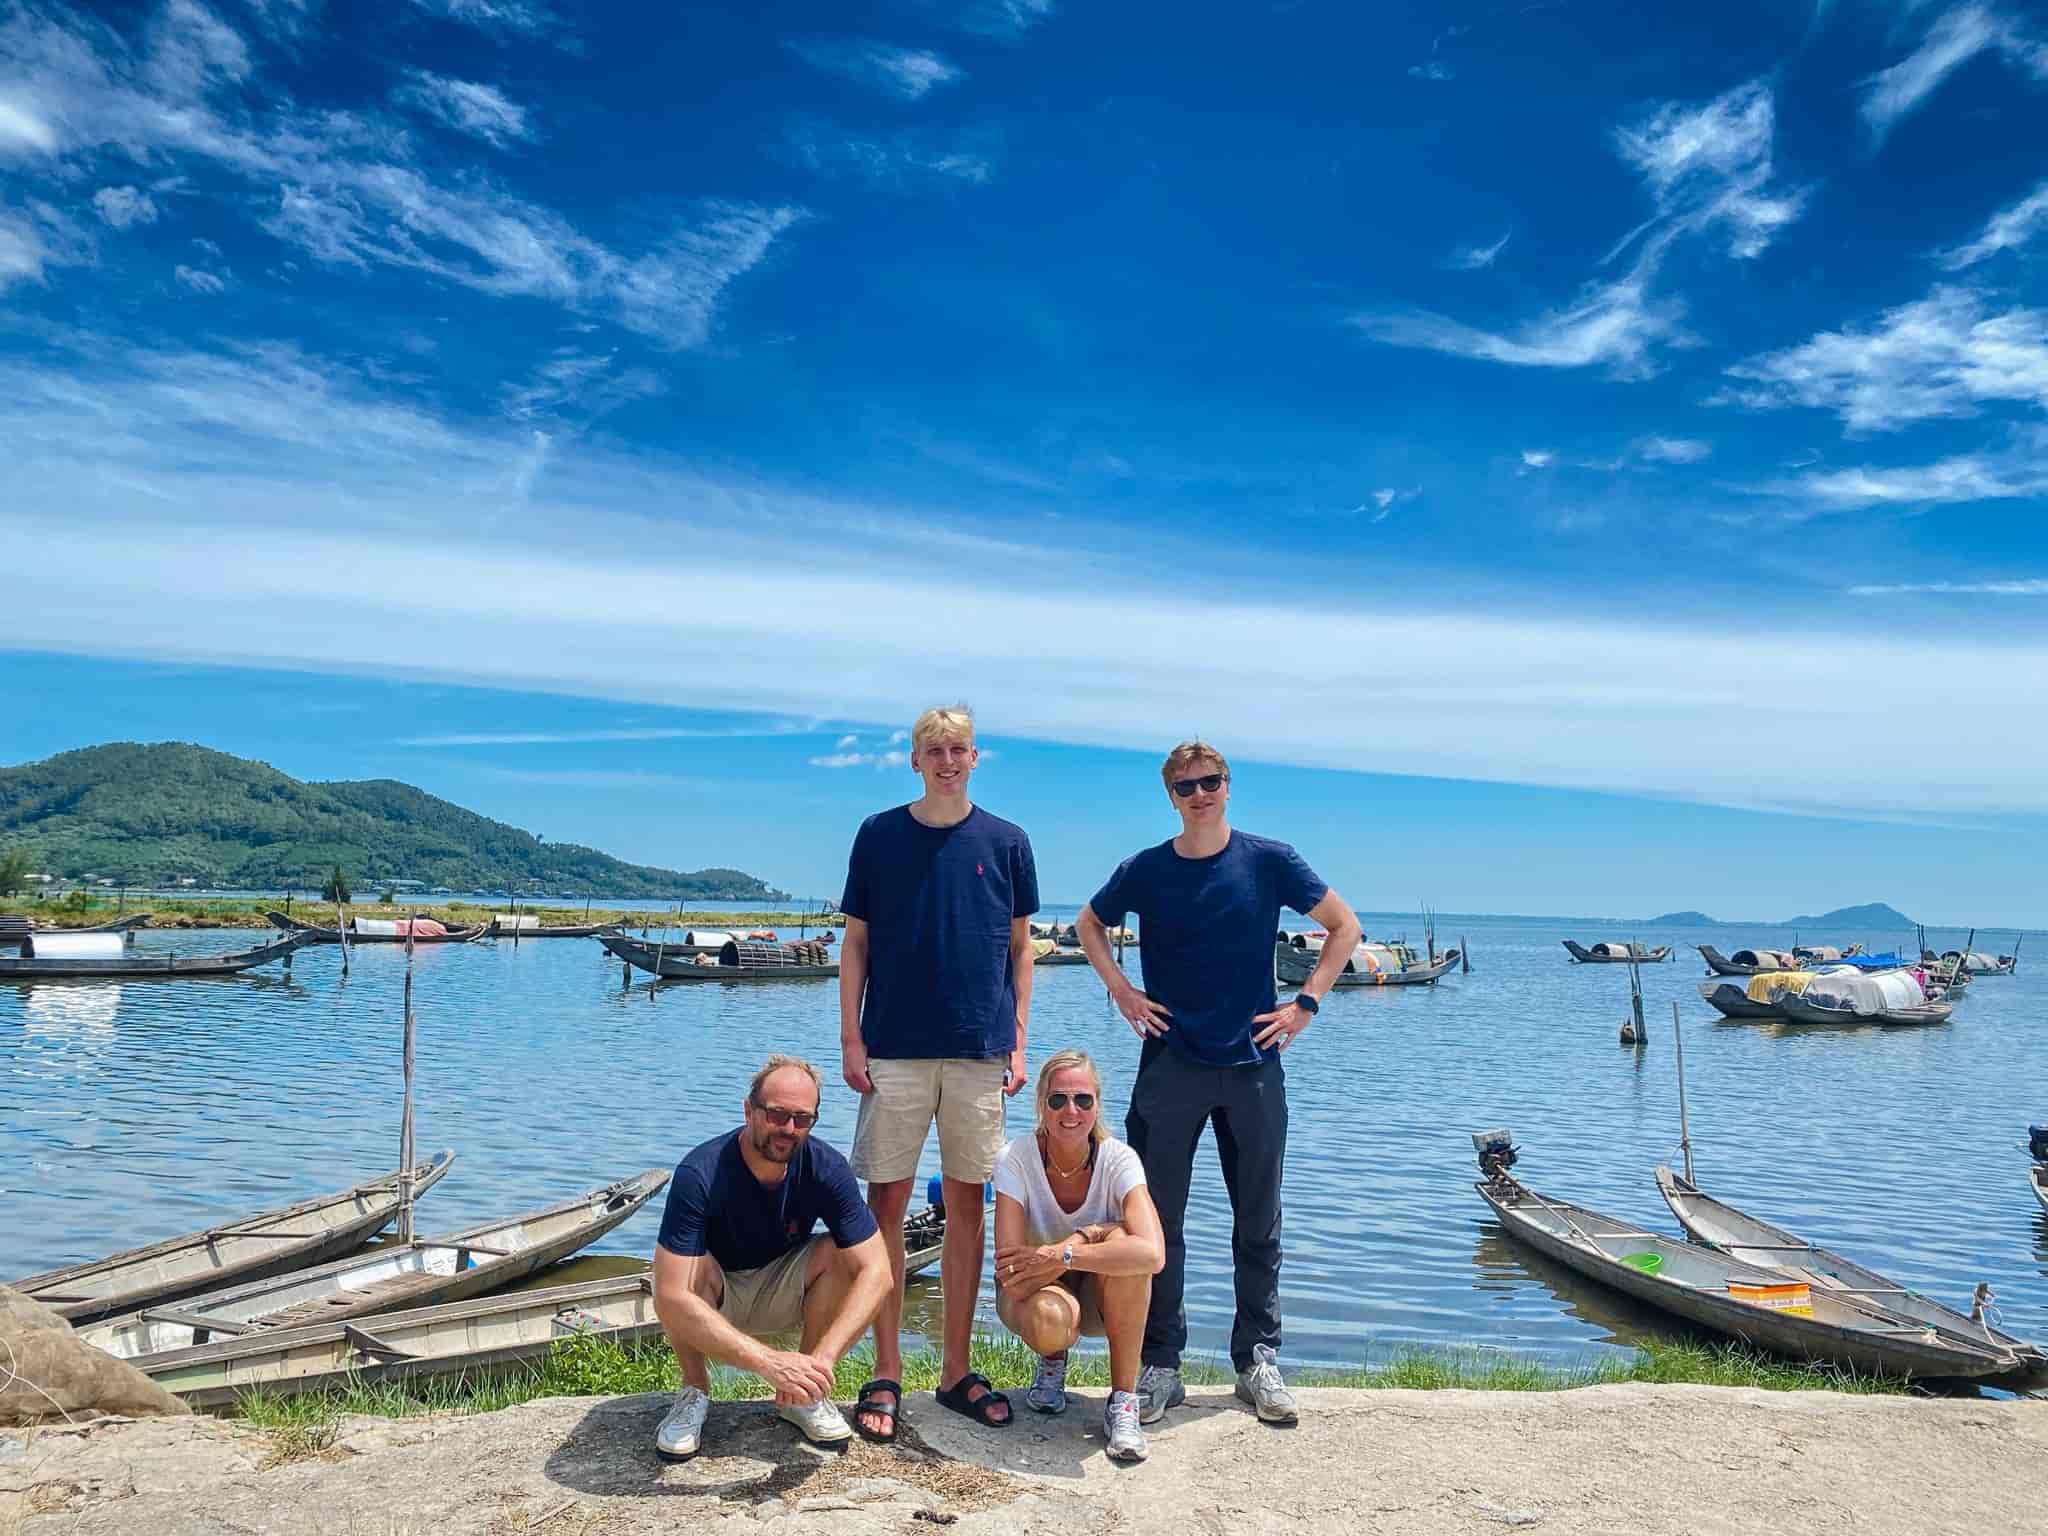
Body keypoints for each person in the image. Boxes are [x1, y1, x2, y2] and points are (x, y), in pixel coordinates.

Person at [1076, 741, 1361, 1428]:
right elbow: (1090, 923)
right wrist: (1121, 990)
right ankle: (1161, 1365)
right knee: (1157, 1222)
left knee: (1257, 1217)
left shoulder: (1269, 860)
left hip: (1254, 1067)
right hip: (1170, 1064)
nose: (1199, 794)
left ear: (1227, 788)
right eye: (1185, 786)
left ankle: (1256, 1360)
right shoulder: (1145, 870)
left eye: (1209, 782)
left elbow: (1343, 928)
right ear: (1170, 797)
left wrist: (1306, 1006)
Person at [838, 704, 1039, 1440]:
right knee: (883, 1209)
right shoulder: (879, 835)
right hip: (892, 1049)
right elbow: (855, 944)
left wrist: (1018, 1042)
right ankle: (886, 1368)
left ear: (975, 758)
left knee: (968, 1212)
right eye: (934, 750)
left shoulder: (1007, 842)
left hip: (979, 1052)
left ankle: (954, 1369)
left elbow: (1021, 949)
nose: (947, 760)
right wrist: (852, 1040)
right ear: (915, 760)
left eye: (958, 749)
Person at [649, 1056, 893, 1461]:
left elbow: (879, 1273)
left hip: (783, 1285)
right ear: (749, 1111)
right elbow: (671, 1297)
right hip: (716, 1293)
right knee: (677, 1276)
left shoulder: (827, 1168)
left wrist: (819, 1365)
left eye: (802, 1119)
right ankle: (694, 1391)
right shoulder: (700, 1171)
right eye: (777, 1115)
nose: (789, 1129)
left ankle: (803, 1395)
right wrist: (768, 1363)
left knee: (845, 1255)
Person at [993, 1050, 1164, 1463]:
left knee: (1131, 1261)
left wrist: (1068, 1250)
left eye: (1083, 1100)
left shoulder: (1119, 1159)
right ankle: (1051, 1363)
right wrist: (1099, 1241)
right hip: (1033, 1296)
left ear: (1097, 1105)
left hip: (1096, 1294)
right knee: (1054, 1318)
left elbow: (1152, 1253)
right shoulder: (1015, 1157)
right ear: (1041, 1105)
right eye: (1058, 1100)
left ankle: (1123, 1401)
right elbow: (1010, 1272)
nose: (1071, 1111)